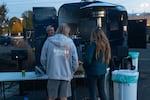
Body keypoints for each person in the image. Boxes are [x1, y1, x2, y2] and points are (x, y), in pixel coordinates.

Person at [40, 23, 79, 100]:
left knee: (51, 97)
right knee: (64, 97)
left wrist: (48, 69)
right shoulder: (70, 43)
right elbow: (75, 61)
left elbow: (43, 59)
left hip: (53, 74)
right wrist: (72, 72)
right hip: (66, 75)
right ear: (67, 31)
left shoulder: (48, 41)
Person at [83, 28, 111, 100]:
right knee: (102, 91)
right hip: (102, 71)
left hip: (92, 72)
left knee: (92, 93)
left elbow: (88, 60)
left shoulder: (93, 45)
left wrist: (84, 66)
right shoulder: (106, 45)